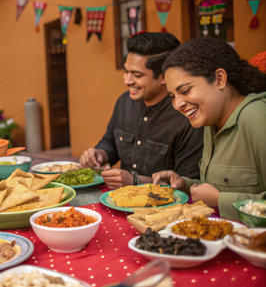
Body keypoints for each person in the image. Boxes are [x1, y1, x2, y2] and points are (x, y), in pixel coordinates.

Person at [153, 37, 266, 220]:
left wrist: (220, 200)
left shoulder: (258, 117)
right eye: (172, 96)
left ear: (219, 79)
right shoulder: (211, 122)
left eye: (186, 91)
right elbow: (218, 186)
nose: (178, 104)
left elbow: (219, 196)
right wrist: (185, 185)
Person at [80, 32, 203, 188]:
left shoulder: (187, 115)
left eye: (137, 75)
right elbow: (109, 142)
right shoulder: (124, 102)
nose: (127, 80)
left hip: (165, 209)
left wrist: (136, 181)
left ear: (164, 76)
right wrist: (99, 154)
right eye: (126, 71)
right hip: (116, 200)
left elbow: (188, 183)